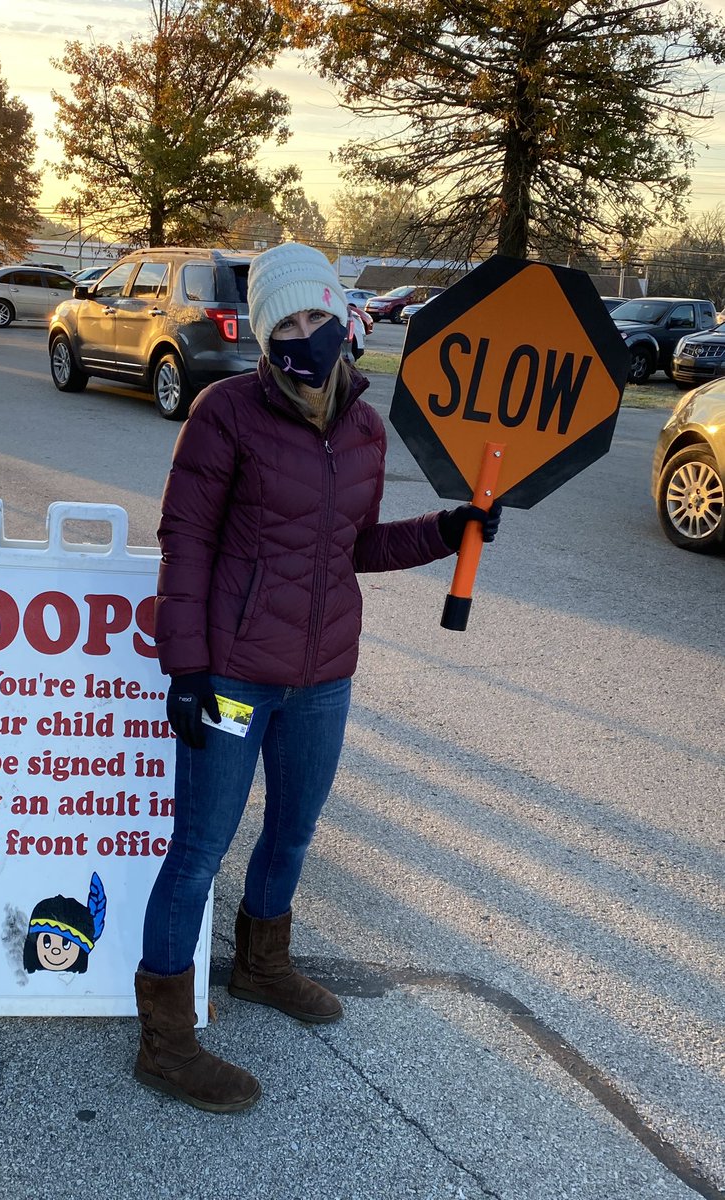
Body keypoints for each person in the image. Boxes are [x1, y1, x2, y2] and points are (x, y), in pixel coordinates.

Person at [133, 243, 501, 1113]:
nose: (305, 336)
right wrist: (184, 666)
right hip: (231, 677)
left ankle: (263, 966)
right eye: (286, 325)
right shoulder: (224, 414)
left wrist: (450, 529)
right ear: (264, 337)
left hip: (323, 677)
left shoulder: (365, 429)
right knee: (198, 852)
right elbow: (184, 541)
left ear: (343, 319)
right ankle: (167, 1042)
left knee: (292, 835)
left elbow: (358, 547)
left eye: (317, 319)